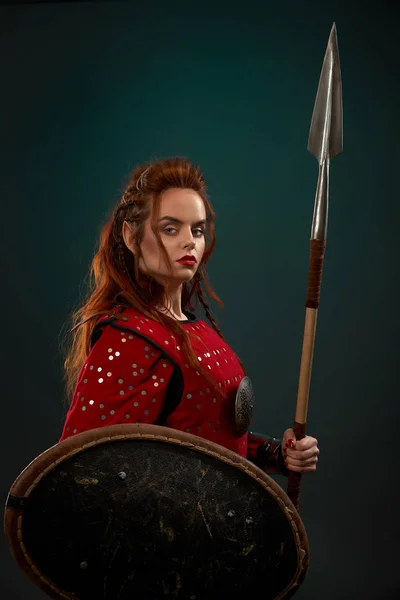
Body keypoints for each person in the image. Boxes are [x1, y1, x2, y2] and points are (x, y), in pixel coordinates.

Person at [60, 157, 319, 477]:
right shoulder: (129, 340)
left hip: (217, 522)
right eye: (170, 228)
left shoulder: (194, 328)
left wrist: (277, 454)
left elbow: (210, 438)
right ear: (131, 236)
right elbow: (82, 469)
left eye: (197, 230)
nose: (189, 241)